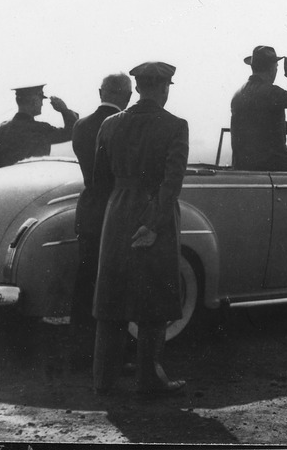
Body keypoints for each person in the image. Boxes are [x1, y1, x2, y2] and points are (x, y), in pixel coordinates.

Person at [92, 62, 188, 396]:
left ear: (137, 88)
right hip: (156, 214)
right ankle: (149, 382)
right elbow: (172, 181)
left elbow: (99, 179)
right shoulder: (175, 125)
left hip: (117, 213)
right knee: (154, 306)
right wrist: (152, 223)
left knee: (111, 302)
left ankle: (102, 383)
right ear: (164, 87)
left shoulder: (109, 124)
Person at [69, 73, 133, 367]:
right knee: (116, 285)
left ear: (100, 92)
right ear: (126, 95)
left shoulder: (81, 125)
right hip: (116, 210)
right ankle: (113, 358)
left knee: (86, 282)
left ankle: (81, 352)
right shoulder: (124, 124)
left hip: (90, 209)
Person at [230, 45, 287, 171]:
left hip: (244, 171)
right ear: (271, 69)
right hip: (275, 169)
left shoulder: (238, 95)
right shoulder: (271, 93)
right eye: (276, 67)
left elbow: (258, 123)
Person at [0, 84, 78, 169]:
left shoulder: (1, 130)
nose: (42, 104)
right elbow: (71, 133)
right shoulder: (40, 129)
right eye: (41, 99)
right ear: (34, 100)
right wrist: (64, 110)